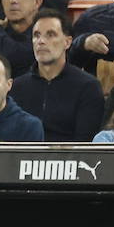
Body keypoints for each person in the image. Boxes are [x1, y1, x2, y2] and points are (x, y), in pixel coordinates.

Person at [11, 9, 106, 141]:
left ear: (67, 42)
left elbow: (86, 145)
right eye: (36, 35)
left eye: (50, 35)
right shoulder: (16, 87)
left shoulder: (88, 87)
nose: (41, 41)